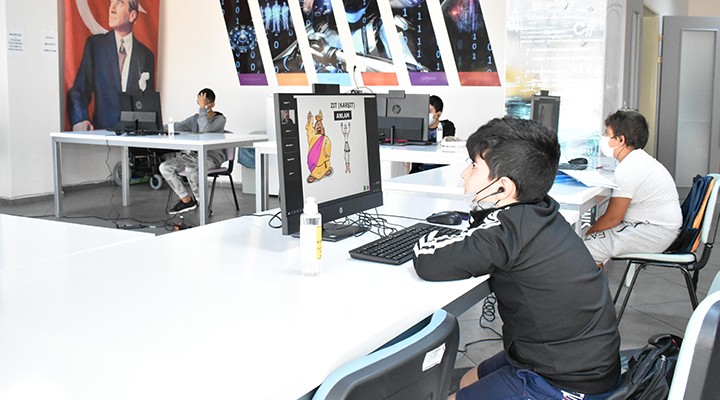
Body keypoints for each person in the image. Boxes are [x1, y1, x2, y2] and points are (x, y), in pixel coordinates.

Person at [413, 117, 621, 400]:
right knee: (469, 380)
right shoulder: (540, 210)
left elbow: (428, 260)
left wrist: (426, 234)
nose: (464, 174)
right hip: (581, 360)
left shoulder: (506, 231)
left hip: (566, 382)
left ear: (503, 188)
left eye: (473, 166)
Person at [584, 110, 682, 267]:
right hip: (656, 228)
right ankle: (595, 280)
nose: (604, 138)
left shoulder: (629, 168)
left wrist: (587, 234)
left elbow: (613, 218)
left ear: (620, 140)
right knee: (594, 237)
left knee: (583, 249)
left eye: (607, 133)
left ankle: (592, 281)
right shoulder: (638, 160)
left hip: (653, 232)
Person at [67, 0, 155, 131]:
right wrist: (80, 119)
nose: (111, 9)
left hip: (134, 136)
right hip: (102, 134)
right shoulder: (96, 46)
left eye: (119, 3)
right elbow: (79, 90)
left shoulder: (146, 55)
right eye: (111, 2)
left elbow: (148, 102)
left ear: (132, 15)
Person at [160, 89, 227, 214]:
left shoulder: (220, 119)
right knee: (165, 167)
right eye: (199, 101)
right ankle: (186, 200)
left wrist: (202, 108)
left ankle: (203, 205)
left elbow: (205, 129)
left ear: (212, 104)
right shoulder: (195, 118)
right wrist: (157, 127)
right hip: (194, 156)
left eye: (204, 102)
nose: (201, 105)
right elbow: (178, 126)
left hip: (211, 158)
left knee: (191, 169)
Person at [410, 95, 456, 173]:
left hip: (439, 171)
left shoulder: (447, 127)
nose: (426, 114)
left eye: (429, 111)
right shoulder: (418, 127)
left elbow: (445, 144)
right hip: (419, 171)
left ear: (438, 114)